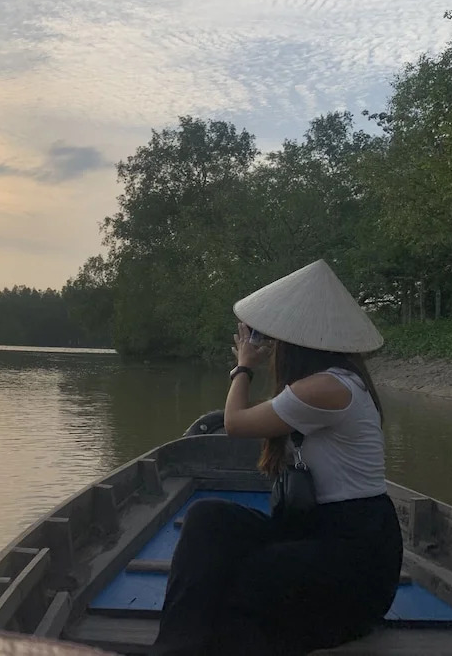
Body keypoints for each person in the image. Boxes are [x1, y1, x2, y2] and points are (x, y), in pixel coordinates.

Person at [154, 259, 403, 655]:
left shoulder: (328, 388)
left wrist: (243, 366)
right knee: (207, 519)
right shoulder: (328, 382)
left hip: (357, 554)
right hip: (314, 529)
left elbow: (234, 423)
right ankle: (175, 648)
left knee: (250, 576)